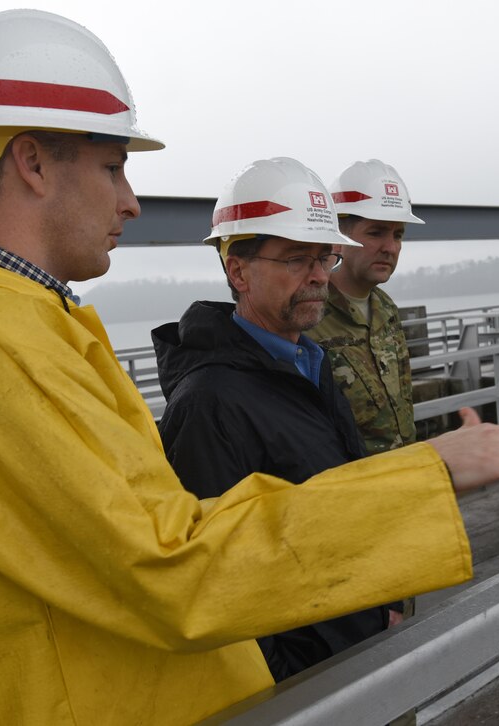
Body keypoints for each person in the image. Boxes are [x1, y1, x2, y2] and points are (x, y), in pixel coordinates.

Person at [0, 11, 499, 725]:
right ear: (30, 161)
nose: (131, 202)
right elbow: (172, 565)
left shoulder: (0, 326)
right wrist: (428, 474)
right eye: (114, 166)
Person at [155, 157, 406, 681]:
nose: (318, 276)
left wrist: (379, 600)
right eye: (296, 259)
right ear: (238, 270)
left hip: (357, 633)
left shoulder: (306, 363)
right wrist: (290, 681)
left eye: (324, 258)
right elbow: (219, 578)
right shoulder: (209, 402)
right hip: (309, 677)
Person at [309, 159, 423, 455]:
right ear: (337, 235)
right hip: (350, 490)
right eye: (376, 233)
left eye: (398, 235)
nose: (391, 247)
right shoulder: (308, 316)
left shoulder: (385, 308)